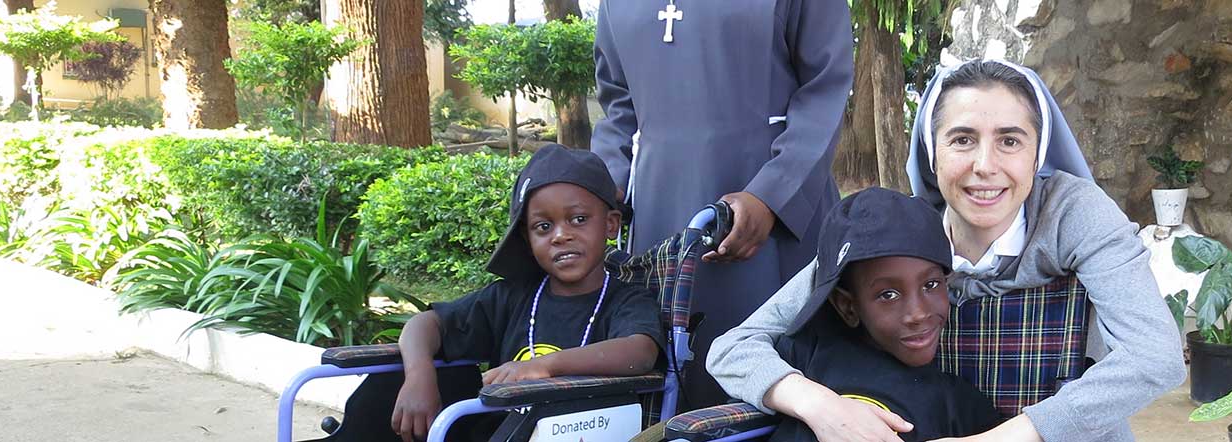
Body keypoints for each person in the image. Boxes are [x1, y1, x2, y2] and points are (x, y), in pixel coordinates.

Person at [707, 60, 1185, 442]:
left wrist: (1008, 437)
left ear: (1037, 152)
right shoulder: (898, 235)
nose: (985, 166)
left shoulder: (1072, 213)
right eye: (962, 140)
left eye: (1009, 140)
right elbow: (734, 348)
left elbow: (1155, 356)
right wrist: (821, 405)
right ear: (931, 153)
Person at [591, 0, 855, 410]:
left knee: (779, 380)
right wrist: (603, 185)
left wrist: (772, 195)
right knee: (673, 377)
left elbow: (824, 87)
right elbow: (618, 102)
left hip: (768, 202)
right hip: (661, 211)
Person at [321, 145, 662, 442]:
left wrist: (546, 366)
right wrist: (418, 377)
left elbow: (640, 351)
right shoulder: (513, 297)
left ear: (611, 225)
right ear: (527, 240)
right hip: (493, 431)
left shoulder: (625, 299)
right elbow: (426, 324)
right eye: (543, 227)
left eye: (578, 219)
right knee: (402, 380)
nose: (561, 236)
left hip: (578, 429)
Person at [767, 188, 1004, 442]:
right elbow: (736, 357)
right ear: (848, 307)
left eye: (931, 285)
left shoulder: (958, 403)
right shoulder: (810, 350)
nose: (918, 313)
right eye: (888, 295)